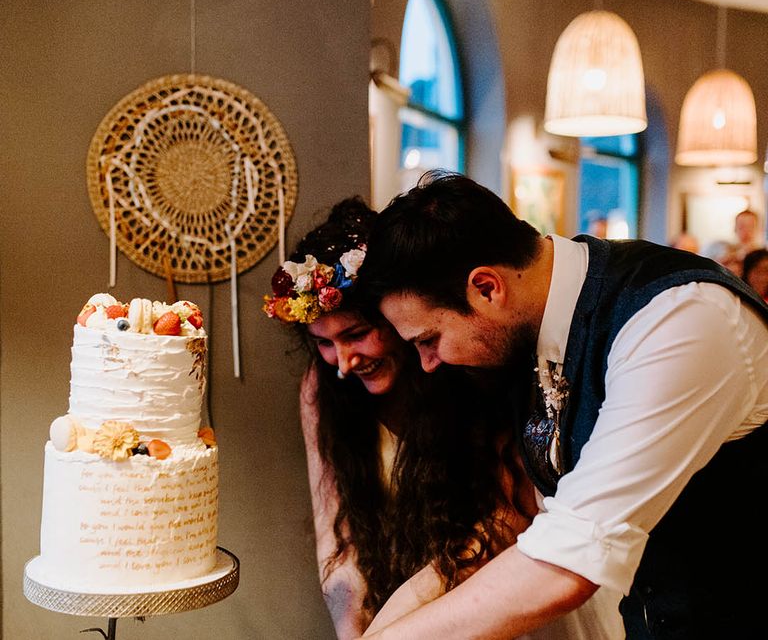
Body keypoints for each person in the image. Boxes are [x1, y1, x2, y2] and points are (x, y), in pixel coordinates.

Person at [356, 172, 768, 639]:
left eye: (429, 339)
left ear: (487, 288)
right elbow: (523, 518)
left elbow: (567, 562)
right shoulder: (530, 326)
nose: (428, 363)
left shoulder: (679, 318)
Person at [263, 197, 623, 640]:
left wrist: (391, 631)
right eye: (323, 343)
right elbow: (338, 542)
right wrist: (353, 632)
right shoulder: (321, 390)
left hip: (499, 602)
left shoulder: (471, 368)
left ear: (399, 318)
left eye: (357, 335)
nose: (343, 362)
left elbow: (501, 523)